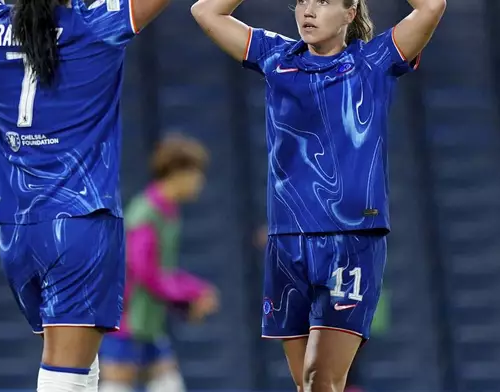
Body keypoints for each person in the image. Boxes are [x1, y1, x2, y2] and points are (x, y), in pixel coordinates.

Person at [191, 0, 446, 391]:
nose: (308, 10)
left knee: (320, 376)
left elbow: (431, 7)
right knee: (306, 384)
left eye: (323, 2)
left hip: (351, 240)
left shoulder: (374, 61)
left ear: (350, 12)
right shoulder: (275, 57)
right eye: (302, 1)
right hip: (287, 241)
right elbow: (206, 12)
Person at [0, 0, 172, 390]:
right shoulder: (96, 23)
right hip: (79, 220)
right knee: (67, 370)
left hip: (16, 227)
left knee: (78, 361)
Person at [99, 134, 219, 392]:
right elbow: (146, 274)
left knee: (168, 383)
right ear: (178, 173)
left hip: (149, 322)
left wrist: (193, 292)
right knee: (117, 386)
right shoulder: (145, 213)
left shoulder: (168, 211)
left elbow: (162, 272)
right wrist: (192, 294)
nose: (200, 182)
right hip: (126, 322)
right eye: (197, 173)